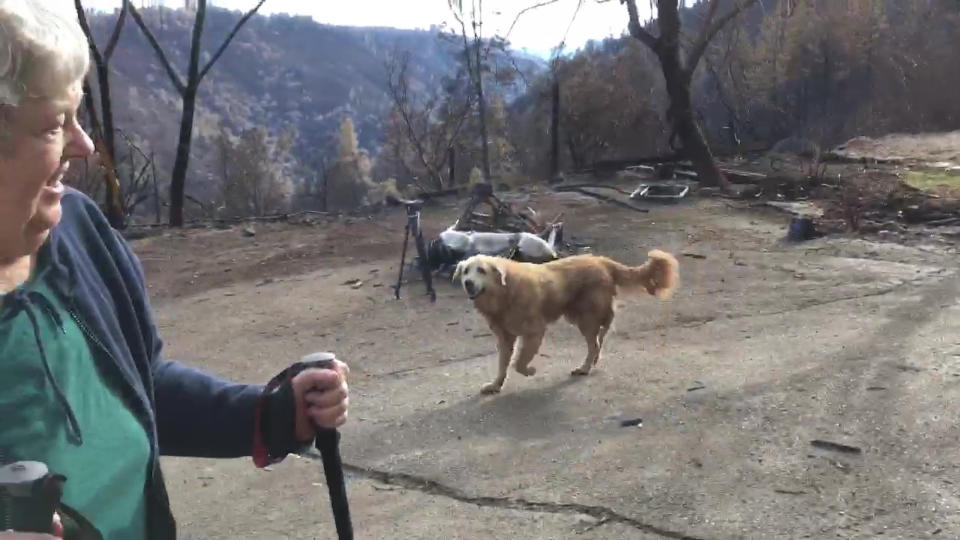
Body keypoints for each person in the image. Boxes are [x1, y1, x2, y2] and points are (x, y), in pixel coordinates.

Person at [0, 1, 349, 538]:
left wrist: (271, 415)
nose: (85, 145)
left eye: (78, 116)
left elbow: (143, 381)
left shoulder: (80, 232)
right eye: (53, 125)